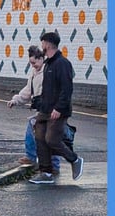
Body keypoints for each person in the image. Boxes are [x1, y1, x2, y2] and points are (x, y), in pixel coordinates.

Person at [29, 31, 84, 184]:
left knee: (52, 139)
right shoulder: (48, 64)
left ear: (47, 44)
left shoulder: (62, 63)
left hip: (58, 111)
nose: (41, 46)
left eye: (42, 44)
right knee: (39, 137)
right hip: (45, 110)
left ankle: (75, 159)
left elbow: (67, 89)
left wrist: (59, 108)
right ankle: (46, 173)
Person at [7, 45, 64, 174]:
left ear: (41, 59)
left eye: (34, 62)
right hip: (42, 110)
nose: (33, 65)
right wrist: (15, 100)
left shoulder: (48, 71)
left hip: (50, 110)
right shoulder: (34, 73)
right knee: (40, 133)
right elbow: (28, 90)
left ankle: (47, 162)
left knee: (49, 137)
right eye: (31, 63)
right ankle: (37, 159)